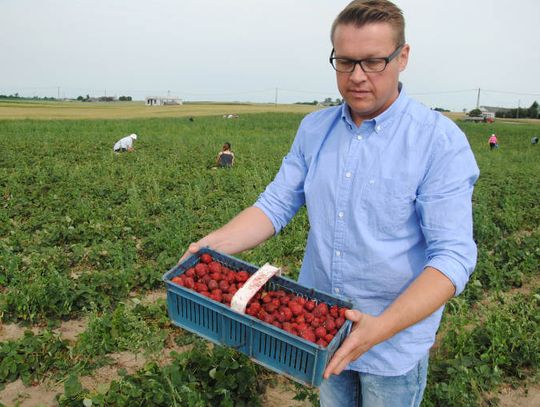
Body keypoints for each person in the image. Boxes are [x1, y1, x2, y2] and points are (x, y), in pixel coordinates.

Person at [180, 1, 479, 405]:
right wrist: (210, 246)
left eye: (373, 62)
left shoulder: (437, 141)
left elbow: (453, 256)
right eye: (345, 62)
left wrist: (381, 327)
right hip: (318, 329)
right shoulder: (314, 129)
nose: (356, 77)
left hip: (392, 344)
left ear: (402, 57)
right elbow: (275, 205)